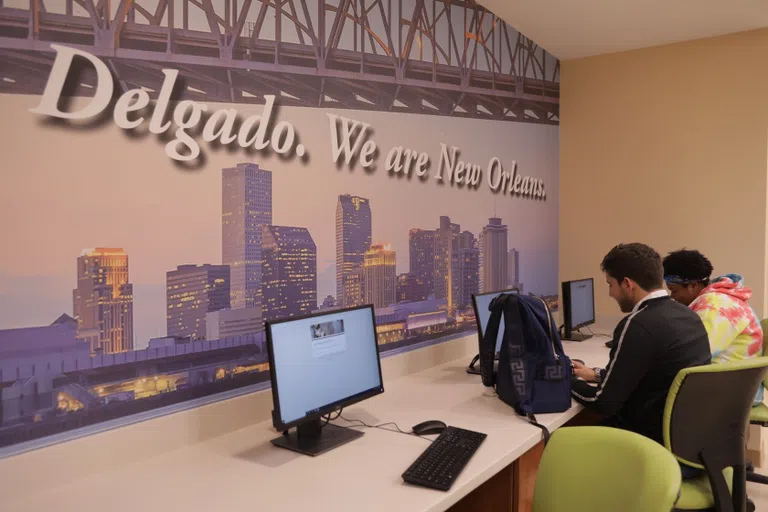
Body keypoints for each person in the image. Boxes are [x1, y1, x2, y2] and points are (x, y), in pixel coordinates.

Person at [571, 243, 711, 457]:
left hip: (649, 446)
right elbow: (653, 375)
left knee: (558, 440)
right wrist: (597, 374)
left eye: (610, 285)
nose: (610, 293)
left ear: (627, 284)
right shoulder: (688, 315)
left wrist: (561, 379)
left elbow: (602, 401)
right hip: (687, 441)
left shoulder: (638, 324)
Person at [662, 248, 764, 404]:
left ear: (693, 286)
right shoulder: (713, 300)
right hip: (732, 382)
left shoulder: (714, 307)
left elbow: (694, 355)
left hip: (734, 391)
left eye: (674, 291)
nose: (672, 297)